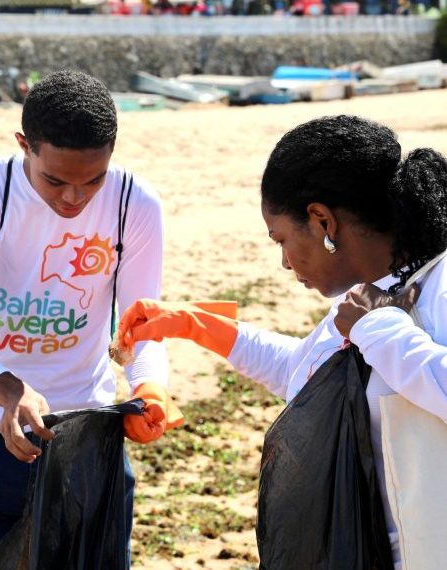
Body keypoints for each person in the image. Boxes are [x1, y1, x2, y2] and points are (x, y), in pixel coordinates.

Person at [117, 115, 447, 567]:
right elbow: (313, 373)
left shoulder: (432, 291)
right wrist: (197, 325)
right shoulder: (370, 297)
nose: (286, 264)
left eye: (281, 240)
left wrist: (378, 328)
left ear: (322, 221)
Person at [0, 70, 180, 569]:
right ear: (24, 145)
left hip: (86, 440)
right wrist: (9, 392)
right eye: (55, 180)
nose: (74, 198)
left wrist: (149, 387)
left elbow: (140, 328)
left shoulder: (135, 203)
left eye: (93, 179)